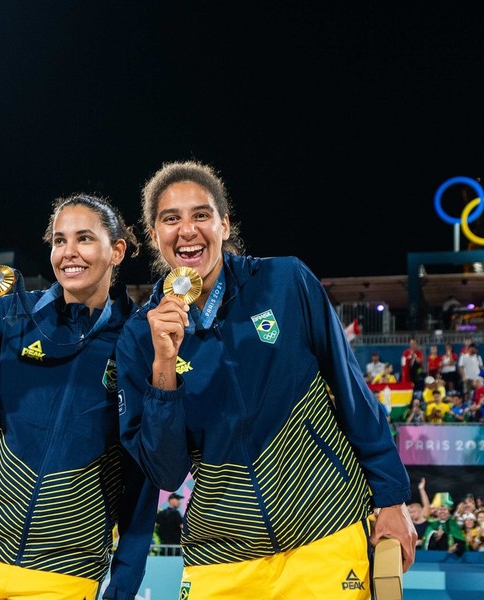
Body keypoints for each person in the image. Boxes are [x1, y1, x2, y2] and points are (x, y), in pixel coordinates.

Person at [117, 160, 416, 599]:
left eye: (201, 214)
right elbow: (166, 470)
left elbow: (351, 389)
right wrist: (164, 364)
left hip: (325, 528)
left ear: (224, 223)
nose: (187, 230)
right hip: (222, 553)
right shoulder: (139, 336)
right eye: (170, 219)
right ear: (154, 235)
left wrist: (391, 497)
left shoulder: (284, 280)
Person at [0, 193, 158, 600]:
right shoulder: (12, 316)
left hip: (64, 572)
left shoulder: (141, 340)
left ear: (117, 250)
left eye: (84, 239)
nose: (69, 253)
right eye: (59, 240)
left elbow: (142, 478)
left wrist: (122, 586)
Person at [155, 492, 185, 557]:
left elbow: (155, 527)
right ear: (171, 500)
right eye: (177, 499)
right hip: (176, 548)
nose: (179, 502)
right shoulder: (176, 513)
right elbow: (183, 528)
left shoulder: (161, 514)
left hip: (163, 547)